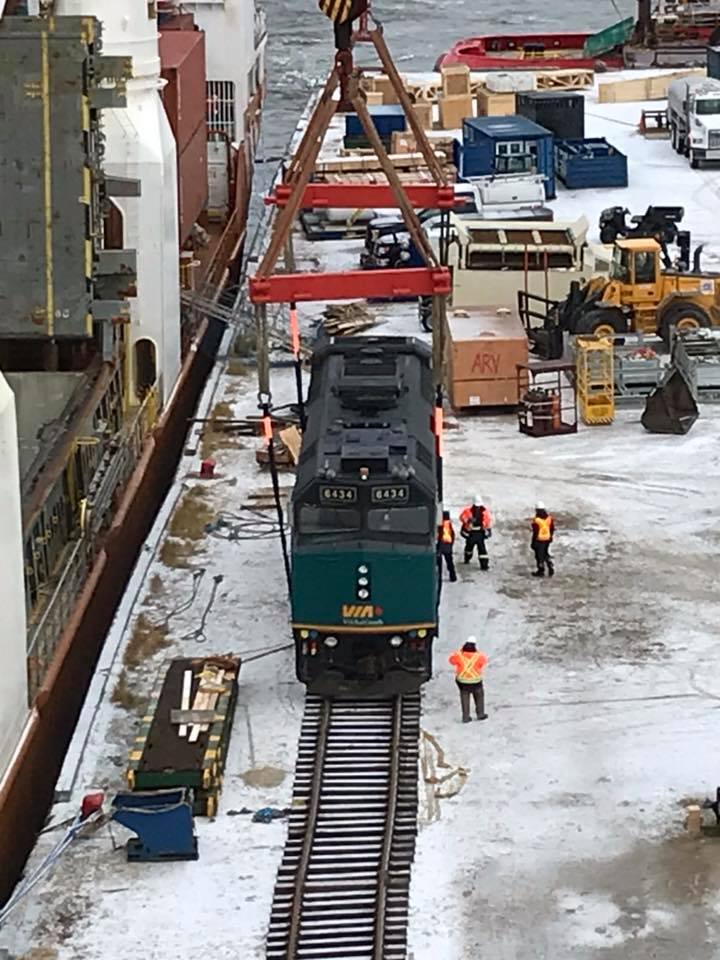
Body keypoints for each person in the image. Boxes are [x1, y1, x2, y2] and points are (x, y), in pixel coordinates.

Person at [448, 637, 488, 723]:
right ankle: (480, 714)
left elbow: (451, 660)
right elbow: (483, 662)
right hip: (476, 681)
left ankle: (465, 716)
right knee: (479, 695)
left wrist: (459, 652)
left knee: (464, 697)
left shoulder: (458, 655)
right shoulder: (479, 656)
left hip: (462, 682)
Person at [459, 495, 493, 570]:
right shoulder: (468, 511)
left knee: (482, 549)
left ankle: (484, 565)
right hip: (471, 532)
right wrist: (468, 521)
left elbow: (487, 521)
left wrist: (484, 526)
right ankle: (467, 558)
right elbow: (462, 517)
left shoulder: (484, 511)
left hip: (480, 532)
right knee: (469, 547)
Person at [531, 501, 555, 578]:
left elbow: (535, 532)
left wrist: (533, 542)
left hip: (539, 540)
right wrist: (550, 536)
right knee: (545, 553)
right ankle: (549, 563)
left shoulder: (537, 520)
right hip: (547, 539)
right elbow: (552, 529)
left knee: (539, 556)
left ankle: (541, 570)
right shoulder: (549, 518)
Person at [436, 510, 457, 583]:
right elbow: (453, 535)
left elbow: (439, 536)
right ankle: (453, 576)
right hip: (448, 546)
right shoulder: (449, 525)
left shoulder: (441, 525)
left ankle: (439, 578)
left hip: (441, 545)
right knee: (449, 562)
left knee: (439, 563)